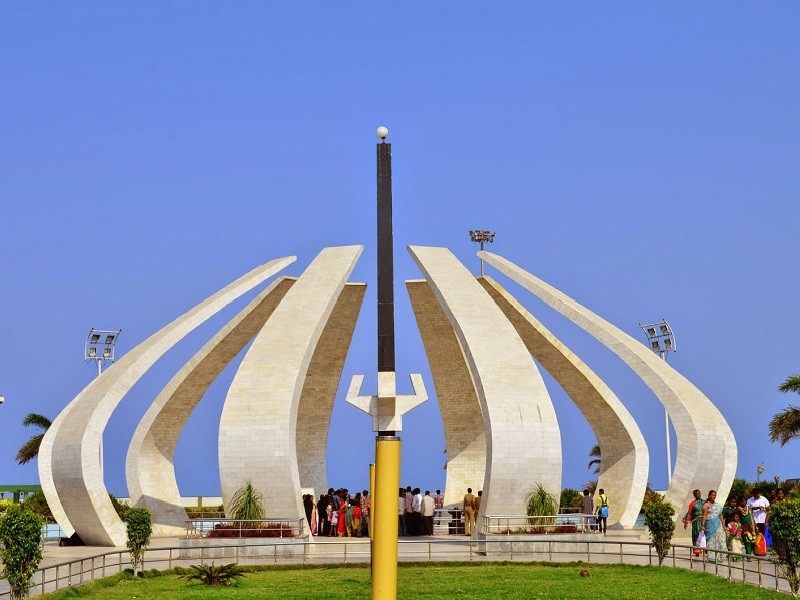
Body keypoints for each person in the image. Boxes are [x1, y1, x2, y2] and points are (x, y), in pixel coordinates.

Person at [702, 490, 726, 563]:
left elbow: (721, 515)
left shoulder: (718, 505)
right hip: (710, 524)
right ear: (709, 496)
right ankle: (711, 557)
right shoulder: (706, 505)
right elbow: (705, 515)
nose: (714, 496)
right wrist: (702, 525)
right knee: (711, 540)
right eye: (712, 495)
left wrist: (723, 525)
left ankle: (719, 557)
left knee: (720, 539)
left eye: (715, 495)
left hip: (718, 524)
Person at [682, 489, 703, 554]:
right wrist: (686, 523)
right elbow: (689, 513)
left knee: (703, 535)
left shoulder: (704, 502)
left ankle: (703, 549)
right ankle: (696, 549)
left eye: (699, 493)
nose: (699, 495)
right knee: (696, 534)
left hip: (703, 520)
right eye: (697, 494)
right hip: (696, 521)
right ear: (694, 495)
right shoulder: (692, 503)